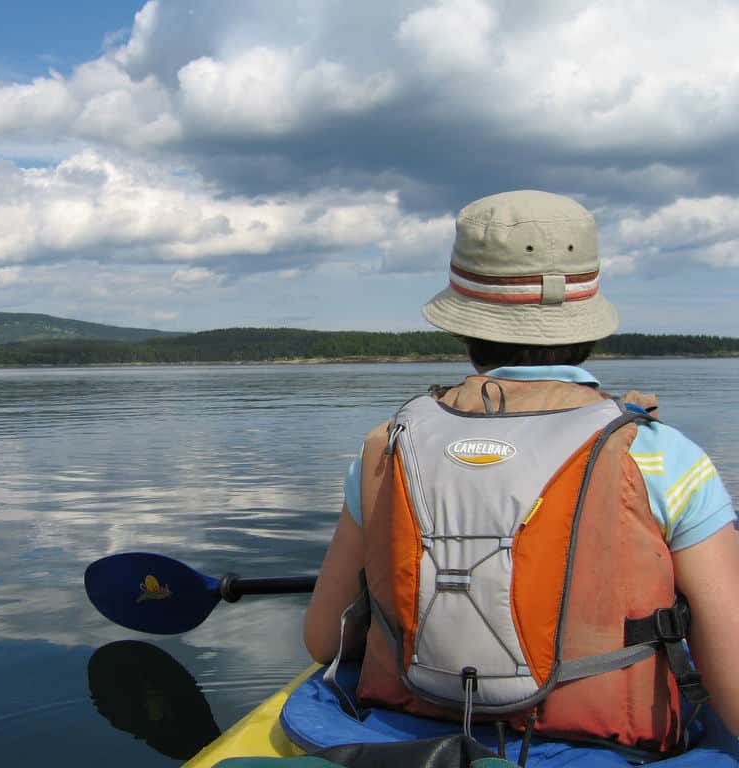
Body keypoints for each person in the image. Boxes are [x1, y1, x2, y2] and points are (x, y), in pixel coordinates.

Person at [303, 190, 739, 754]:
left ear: (463, 326)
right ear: (588, 324)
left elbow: (322, 640)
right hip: (610, 748)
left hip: (411, 736)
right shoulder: (662, 456)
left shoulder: (384, 450)